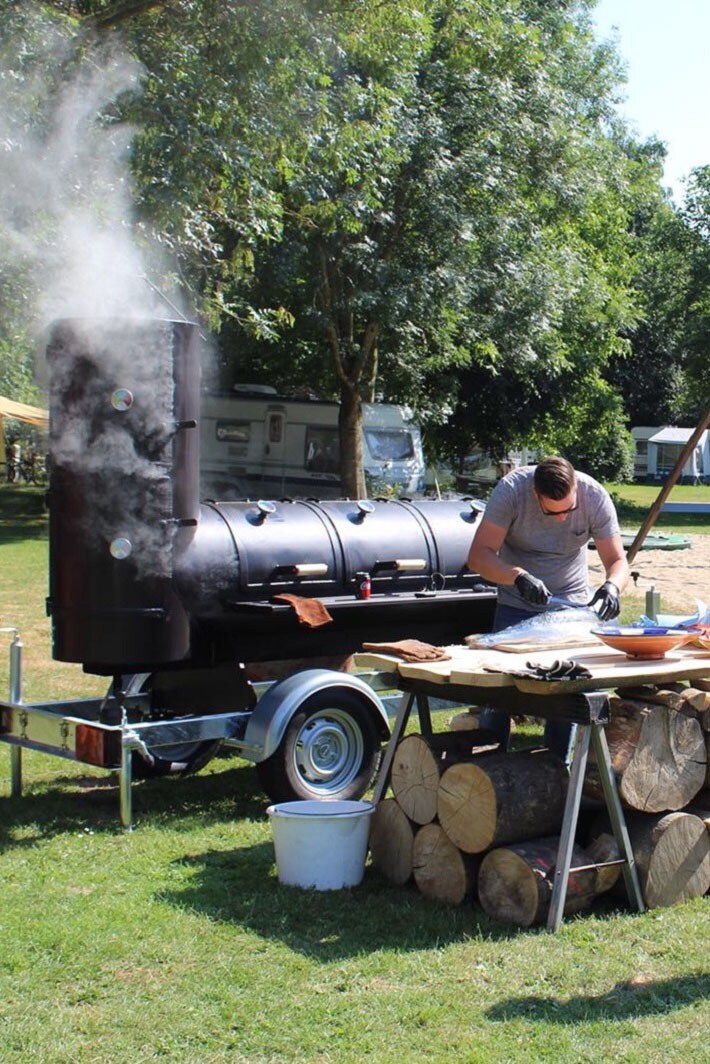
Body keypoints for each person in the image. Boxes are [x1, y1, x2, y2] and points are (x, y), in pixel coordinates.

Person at [467, 455, 629, 758]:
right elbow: (478, 556)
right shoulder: (511, 492)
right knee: (498, 692)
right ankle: (487, 764)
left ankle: (558, 768)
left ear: (576, 488)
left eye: (569, 509)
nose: (562, 518)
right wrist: (517, 577)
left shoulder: (594, 497)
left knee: (567, 695)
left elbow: (618, 560)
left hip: (570, 610)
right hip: (516, 606)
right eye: (552, 512)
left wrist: (612, 586)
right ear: (535, 494)